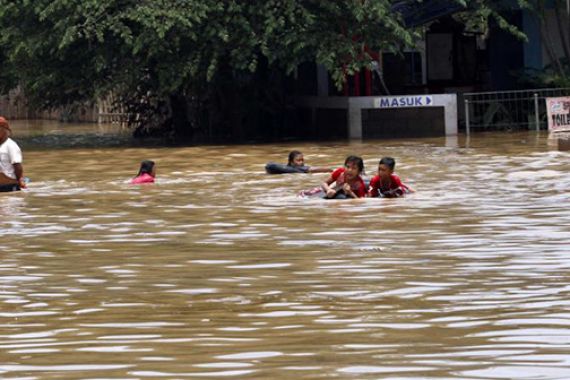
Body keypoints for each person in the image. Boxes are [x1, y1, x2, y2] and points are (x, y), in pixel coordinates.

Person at [0, 116, 26, 192]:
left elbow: (17, 166)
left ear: (4, 129)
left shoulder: (11, 145)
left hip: (9, 187)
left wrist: (20, 180)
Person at [266, 150, 331, 174]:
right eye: (298, 160)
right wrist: (331, 170)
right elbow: (313, 169)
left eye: (302, 160)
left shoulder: (300, 168)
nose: (301, 162)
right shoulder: (298, 168)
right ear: (291, 162)